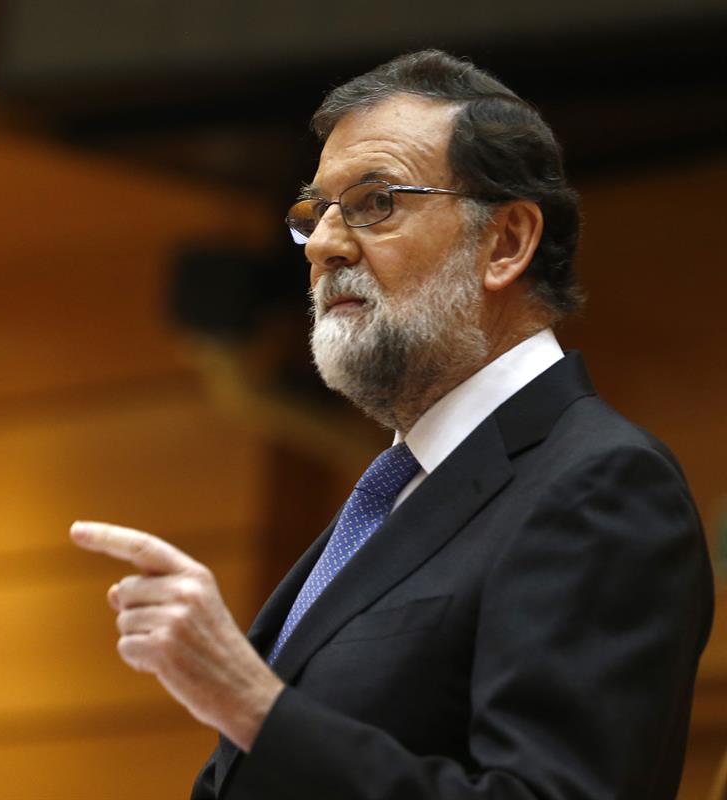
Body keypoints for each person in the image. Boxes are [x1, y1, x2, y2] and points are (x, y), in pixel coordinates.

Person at [69, 49, 713, 799]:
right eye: (315, 213)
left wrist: (251, 705)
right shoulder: (398, 493)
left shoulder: (599, 486)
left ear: (505, 243)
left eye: (375, 203)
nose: (324, 246)